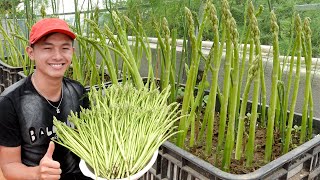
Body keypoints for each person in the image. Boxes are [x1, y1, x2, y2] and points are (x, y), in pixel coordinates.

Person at [0, 18, 91, 180]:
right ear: (31, 53)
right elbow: (8, 166)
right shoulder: (10, 102)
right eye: (47, 48)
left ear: (72, 52)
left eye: (65, 48)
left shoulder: (78, 92)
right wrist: (37, 173)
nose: (57, 56)